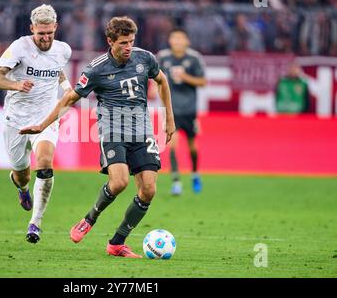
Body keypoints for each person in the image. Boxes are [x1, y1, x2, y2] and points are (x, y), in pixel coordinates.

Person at [19, 16, 175, 258]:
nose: (128, 47)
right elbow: (70, 99)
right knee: (120, 182)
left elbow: (162, 81)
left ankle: (117, 243)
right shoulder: (96, 69)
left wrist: (169, 119)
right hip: (113, 132)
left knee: (149, 190)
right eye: (123, 43)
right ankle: (89, 218)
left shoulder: (145, 58)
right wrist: (42, 125)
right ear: (110, 41)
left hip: (142, 131)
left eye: (131, 42)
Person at [0, 4, 72, 244]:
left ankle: (35, 223)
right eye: (40, 34)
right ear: (32, 28)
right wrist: (17, 85)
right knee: (22, 175)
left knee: (45, 163)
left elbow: (57, 71)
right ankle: (22, 188)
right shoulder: (19, 47)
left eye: (49, 33)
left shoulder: (63, 50)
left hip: (45, 118)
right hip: (15, 120)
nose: (45, 38)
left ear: (55, 28)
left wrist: (67, 91)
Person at [157, 28, 207, 195]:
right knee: (172, 145)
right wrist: (153, 87)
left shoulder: (194, 58)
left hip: (189, 110)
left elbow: (203, 82)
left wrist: (186, 78)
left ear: (187, 41)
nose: (177, 41)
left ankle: (194, 174)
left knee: (192, 146)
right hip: (171, 110)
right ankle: (176, 181)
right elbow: (155, 77)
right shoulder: (163, 57)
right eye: (174, 38)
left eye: (181, 38)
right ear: (170, 41)